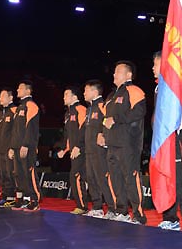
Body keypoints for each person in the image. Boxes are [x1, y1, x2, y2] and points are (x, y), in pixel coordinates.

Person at [152, 51, 182, 234]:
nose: (153, 68)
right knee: (166, 179)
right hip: (163, 142)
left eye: (156, 65)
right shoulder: (158, 88)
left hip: (178, 138)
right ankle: (170, 218)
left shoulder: (179, 87)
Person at [99, 60, 147, 224]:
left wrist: (117, 118)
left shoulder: (134, 91)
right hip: (111, 143)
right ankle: (122, 211)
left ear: (128, 75)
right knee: (115, 178)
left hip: (128, 143)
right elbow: (105, 119)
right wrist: (102, 133)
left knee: (130, 178)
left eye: (118, 71)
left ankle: (139, 215)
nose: (114, 74)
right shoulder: (111, 96)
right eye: (114, 72)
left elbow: (139, 112)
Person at [83, 79, 117, 218]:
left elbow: (109, 121)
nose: (84, 93)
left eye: (86, 90)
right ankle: (97, 207)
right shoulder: (89, 109)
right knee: (91, 178)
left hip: (100, 150)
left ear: (94, 91)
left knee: (103, 178)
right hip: (89, 150)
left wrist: (103, 134)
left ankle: (112, 208)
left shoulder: (103, 106)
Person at [10, 80, 41, 211]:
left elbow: (31, 128)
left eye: (20, 88)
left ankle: (34, 200)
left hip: (26, 147)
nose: (17, 90)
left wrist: (26, 144)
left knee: (29, 173)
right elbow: (15, 129)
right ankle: (24, 199)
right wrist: (12, 146)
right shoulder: (19, 107)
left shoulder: (31, 105)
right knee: (18, 174)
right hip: (17, 147)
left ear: (28, 91)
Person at [57, 86, 89, 215]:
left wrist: (79, 146)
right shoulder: (68, 113)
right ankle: (82, 204)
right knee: (77, 176)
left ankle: (82, 206)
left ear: (74, 97)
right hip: (73, 151)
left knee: (76, 176)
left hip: (82, 150)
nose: (63, 97)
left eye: (66, 94)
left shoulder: (81, 109)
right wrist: (64, 149)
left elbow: (84, 129)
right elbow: (68, 135)